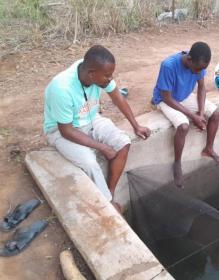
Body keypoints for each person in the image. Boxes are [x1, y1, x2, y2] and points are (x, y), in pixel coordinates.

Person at [44, 45, 150, 212]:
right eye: (108, 76)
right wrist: (102, 147)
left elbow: (117, 97)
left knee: (123, 142)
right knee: (89, 162)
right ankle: (108, 203)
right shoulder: (61, 88)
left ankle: (110, 193)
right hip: (62, 131)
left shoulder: (95, 70)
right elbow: (66, 130)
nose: (111, 79)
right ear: (91, 73)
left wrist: (136, 125)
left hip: (92, 119)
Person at [152, 42, 219, 187]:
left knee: (216, 113)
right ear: (189, 59)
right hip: (166, 99)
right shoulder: (168, 66)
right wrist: (193, 116)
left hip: (184, 96)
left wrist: (201, 114)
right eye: (197, 69)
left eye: (201, 70)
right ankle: (177, 164)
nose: (198, 72)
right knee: (184, 126)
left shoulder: (199, 64)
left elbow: (202, 88)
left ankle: (209, 148)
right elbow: (167, 98)